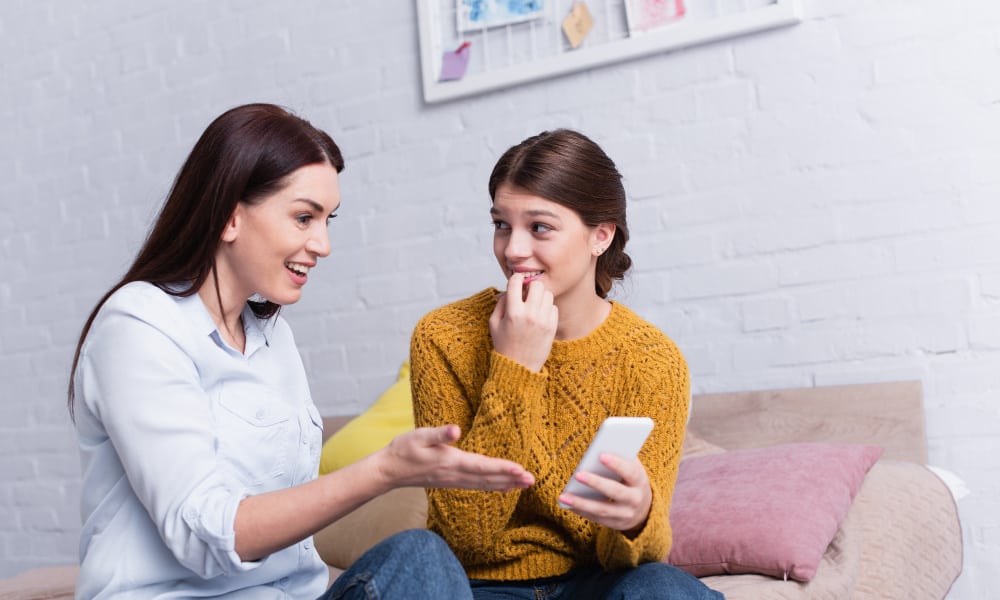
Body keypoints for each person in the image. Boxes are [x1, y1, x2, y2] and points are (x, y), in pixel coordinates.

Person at [67, 103, 533, 600]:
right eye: (304, 217)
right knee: (419, 558)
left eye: (327, 219)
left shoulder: (271, 336)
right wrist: (386, 469)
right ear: (229, 217)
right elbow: (206, 536)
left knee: (423, 557)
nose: (324, 244)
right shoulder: (139, 326)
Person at [409, 129, 723, 599]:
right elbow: (464, 534)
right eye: (501, 224)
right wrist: (515, 365)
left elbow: (637, 559)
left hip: (595, 583)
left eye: (539, 227)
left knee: (663, 586)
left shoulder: (653, 362)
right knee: (415, 556)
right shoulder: (444, 337)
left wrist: (637, 518)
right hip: (477, 585)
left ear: (600, 235)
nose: (513, 249)